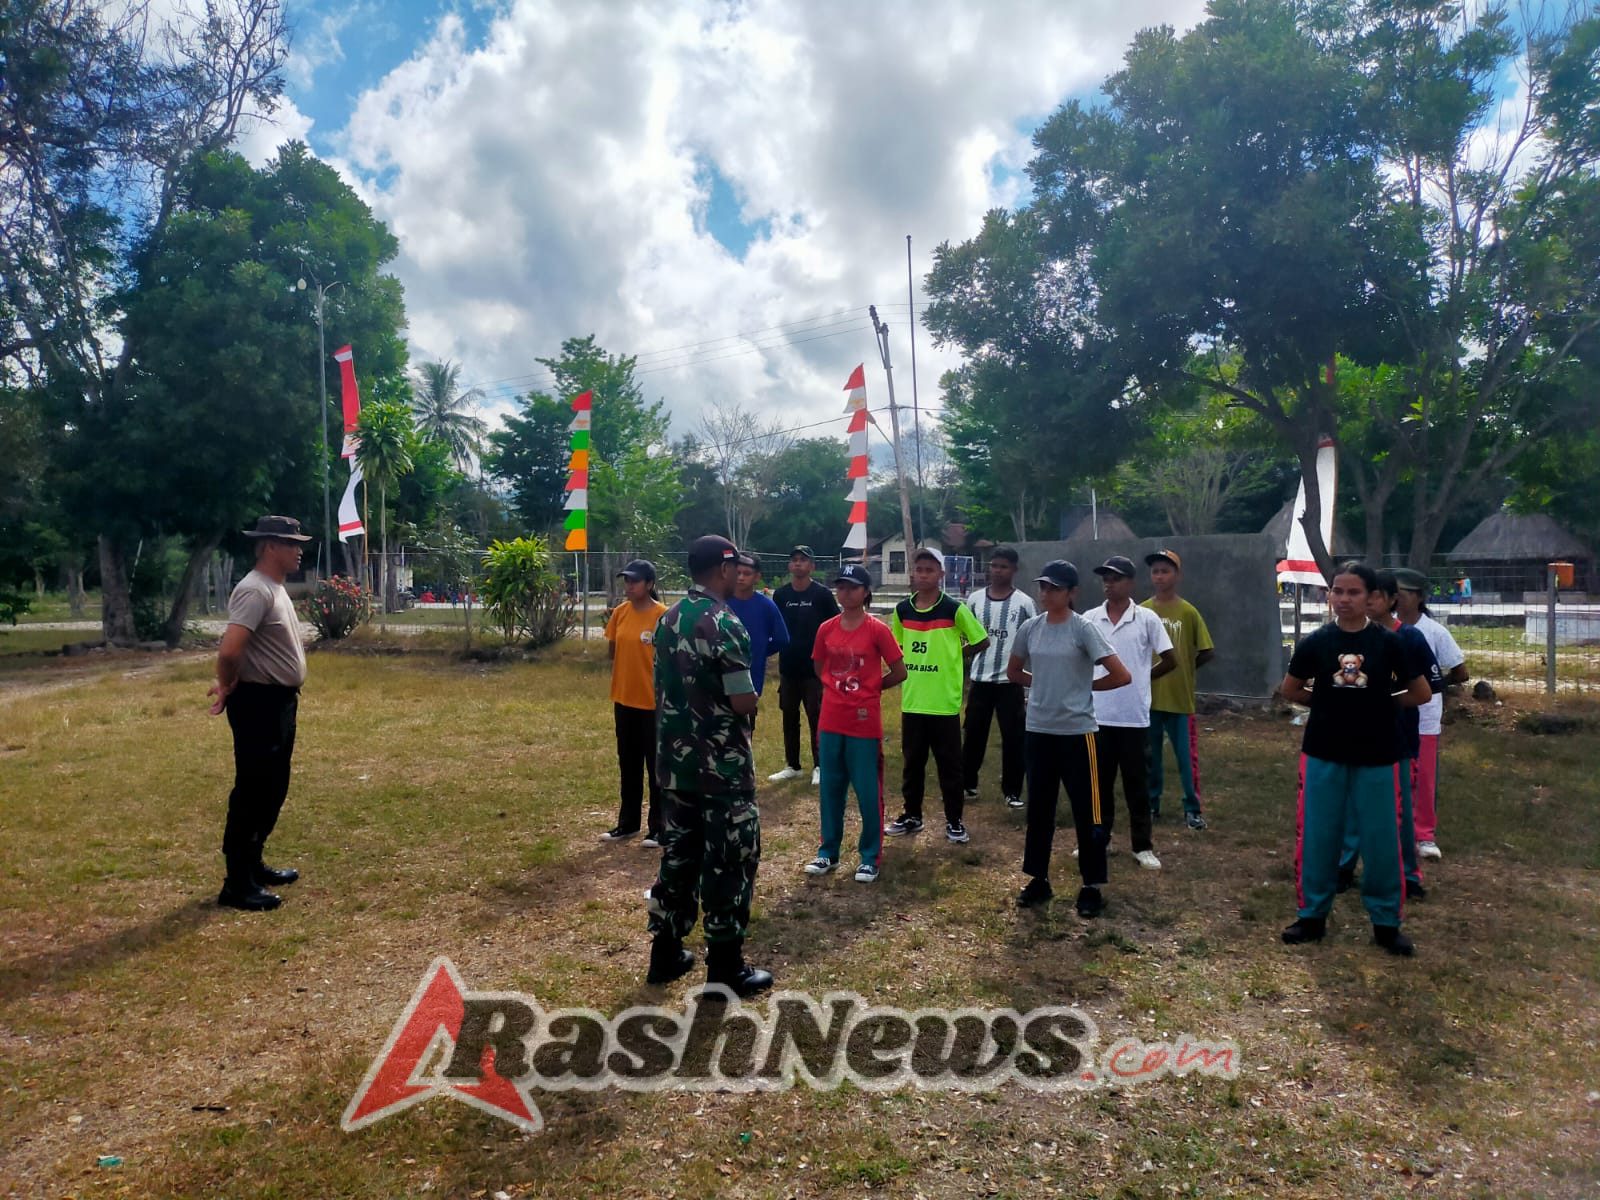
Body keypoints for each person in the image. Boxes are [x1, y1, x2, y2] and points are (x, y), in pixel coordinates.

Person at [1280, 563, 1433, 957]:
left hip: (1379, 754)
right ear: (1329, 595)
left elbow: (1420, 693)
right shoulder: (1316, 642)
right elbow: (1290, 689)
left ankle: (1386, 924)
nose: (1344, 599)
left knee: (1382, 841)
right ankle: (1311, 917)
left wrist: (1382, 704)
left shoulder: (1390, 642)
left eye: (1353, 592)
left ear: (1372, 598)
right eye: (1337, 591)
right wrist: (1329, 703)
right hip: (1324, 753)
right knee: (1318, 837)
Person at [646, 535, 771, 996]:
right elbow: (740, 699)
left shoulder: (669, 618)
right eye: (735, 566)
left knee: (678, 857)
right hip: (722, 769)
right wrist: (754, 699)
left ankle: (666, 953)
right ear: (723, 569)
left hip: (675, 766)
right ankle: (726, 967)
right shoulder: (725, 623)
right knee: (729, 860)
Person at [1006, 560, 1131, 915]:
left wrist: (1083, 687)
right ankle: (1038, 879)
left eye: (1054, 588)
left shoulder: (1083, 630)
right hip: (1039, 731)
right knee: (1040, 809)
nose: (1046, 594)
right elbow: (1014, 671)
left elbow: (1120, 675)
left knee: (1087, 812)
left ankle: (1091, 885)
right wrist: (1045, 684)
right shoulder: (1031, 628)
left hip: (1078, 734)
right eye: (1043, 587)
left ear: (1072, 593)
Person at [207, 515, 312, 912]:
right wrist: (228, 684)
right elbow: (230, 650)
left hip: (278, 701)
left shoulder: (274, 587)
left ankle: (253, 864)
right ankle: (236, 882)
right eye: (291, 543)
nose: (299, 549)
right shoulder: (255, 590)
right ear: (269, 546)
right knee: (254, 789)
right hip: (259, 703)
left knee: (272, 787)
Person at [1336, 571, 1441, 899]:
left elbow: (1428, 687)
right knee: (1351, 807)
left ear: (1391, 600)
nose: (1366, 601)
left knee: (1398, 812)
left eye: (1374, 595)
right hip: (1351, 736)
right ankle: (1344, 868)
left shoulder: (1408, 639)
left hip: (1396, 737)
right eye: (1361, 594)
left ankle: (1407, 875)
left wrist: (1385, 702)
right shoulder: (1346, 639)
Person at [806, 564, 907, 883]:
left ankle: (869, 856)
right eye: (841, 586)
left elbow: (899, 671)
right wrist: (839, 690)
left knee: (867, 790)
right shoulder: (826, 629)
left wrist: (869, 690)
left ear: (865, 592)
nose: (845, 592)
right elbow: (819, 667)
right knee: (831, 789)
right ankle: (828, 852)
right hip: (831, 720)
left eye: (852, 587)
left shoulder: (878, 629)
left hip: (863, 723)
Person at [887, 548, 990, 843]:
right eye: (918, 569)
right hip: (913, 700)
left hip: (943, 702)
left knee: (949, 766)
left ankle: (954, 820)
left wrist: (955, 654)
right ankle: (912, 815)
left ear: (941, 575)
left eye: (929, 570)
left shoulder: (953, 609)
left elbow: (981, 639)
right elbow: (898, 649)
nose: (922, 575)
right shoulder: (902, 610)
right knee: (912, 763)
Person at [1085, 555, 1176, 870]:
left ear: (1130, 583)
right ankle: (1101, 838)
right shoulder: (1090, 619)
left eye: (1116, 579)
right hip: (1097, 715)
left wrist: (1141, 678)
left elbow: (1170, 659)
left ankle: (1142, 846)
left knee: (1137, 784)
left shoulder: (1147, 618)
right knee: (1099, 784)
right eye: (1105, 579)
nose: (1109, 584)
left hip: (1134, 716)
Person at [1393, 567, 1467, 861]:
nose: (1396, 600)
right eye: (1392, 595)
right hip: (1392, 715)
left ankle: (1424, 835)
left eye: (1401, 595)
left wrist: (1433, 685)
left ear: (1418, 597)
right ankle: (1395, 830)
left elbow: (1460, 671)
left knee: (1423, 778)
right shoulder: (1385, 628)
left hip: (1424, 718)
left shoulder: (1434, 632)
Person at [1141, 550, 1216, 830]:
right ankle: (1151, 804)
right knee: (1150, 758)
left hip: (1181, 700)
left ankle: (1192, 809)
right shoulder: (1142, 610)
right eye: (1155, 571)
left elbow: (1207, 650)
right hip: (1149, 698)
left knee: (1187, 759)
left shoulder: (1187, 611)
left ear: (1178, 575)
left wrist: (1186, 668)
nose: (1159, 576)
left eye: (1165, 571)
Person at [961, 547, 1036, 809]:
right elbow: (966, 636)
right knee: (973, 734)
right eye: (994, 565)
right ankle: (967, 784)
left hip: (1010, 683)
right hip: (980, 681)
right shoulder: (975, 600)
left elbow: (1034, 640)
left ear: (1014, 569)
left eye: (1003, 566)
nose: (997, 570)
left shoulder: (1024, 603)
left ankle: (1012, 791)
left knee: (1014, 738)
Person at [601, 559, 668, 847]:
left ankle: (659, 827)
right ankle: (627, 824)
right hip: (625, 699)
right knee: (628, 764)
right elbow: (612, 650)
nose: (629, 586)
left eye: (635, 581)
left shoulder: (663, 615)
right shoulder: (620, 613)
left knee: (656, 767)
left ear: (650, 584)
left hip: (654, 704)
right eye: (626, 580)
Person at [769, 547, 839, 785]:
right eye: (795, 561)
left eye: (803, 561)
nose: (798, 564)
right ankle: (793, 765)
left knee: (816, 716)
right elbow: (774, 628)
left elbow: (835, 627)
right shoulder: (780, 595)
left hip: (815, 670)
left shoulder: (822, 595)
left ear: (812, 566)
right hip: (788, 668)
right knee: (789, 715)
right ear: (790, 566)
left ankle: (820, 765)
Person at [727, 552, 791, 719]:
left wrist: (760, 651)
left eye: (746, 574)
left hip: (751, 676)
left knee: (746, 728)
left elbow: (782, 639)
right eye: (738, 572)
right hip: (721, 674)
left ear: (757, 577)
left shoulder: (766, 605)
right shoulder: (722, 602)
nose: (741, 578)